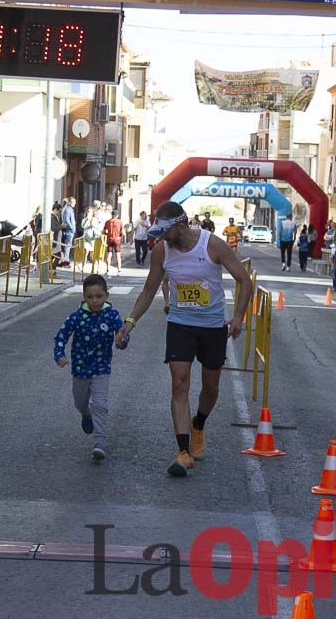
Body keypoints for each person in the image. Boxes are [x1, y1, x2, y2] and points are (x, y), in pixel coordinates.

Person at [115, 202, 252, 477]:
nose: (162, 237)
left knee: (211, 388)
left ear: (182, 225)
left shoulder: (212, 245)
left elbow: (244, 280)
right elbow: (148, 290)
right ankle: (183, 452)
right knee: (179, 383)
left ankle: (198, 424)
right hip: (180, 324)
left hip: (212, 326)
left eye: (166, 232)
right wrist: (129, 322)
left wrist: (238, 317)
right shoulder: (160, 251)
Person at [53, 274, 124, 461]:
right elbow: (61, 336)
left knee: (100, 404)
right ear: (84, 296)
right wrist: (59, 355)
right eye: (90, 296)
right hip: (80, 369)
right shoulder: (77, 316)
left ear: (106, 295)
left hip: (101, 368)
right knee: (80, 402)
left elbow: (122, 333)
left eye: (99, 296)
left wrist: (121, 341)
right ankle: (85, 414)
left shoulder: (112, 314)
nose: (95, 300)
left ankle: (100, 442)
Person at [104, 211, 125, 275]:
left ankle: (107, 270)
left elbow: (104, 231)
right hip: (117, 240)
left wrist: (108, 235)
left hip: (109, 239)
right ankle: (119, 270)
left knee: (109, 255)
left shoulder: (107, 222)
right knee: (118, 255)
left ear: (112, 215)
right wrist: (121, 238)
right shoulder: (120, 222)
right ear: (117, 215)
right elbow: (122, 232)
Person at [60, 198, 77, 263]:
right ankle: (66, 260)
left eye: (75, 202)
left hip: (69, 230)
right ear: (69, 202)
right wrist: (72, 228)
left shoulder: (69, 209)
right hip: (68, 230)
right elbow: (67, 220)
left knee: (68, 245)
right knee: (67, 245)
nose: (74, 203)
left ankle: (65, 259)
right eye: (73, 202)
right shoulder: (67, 209)